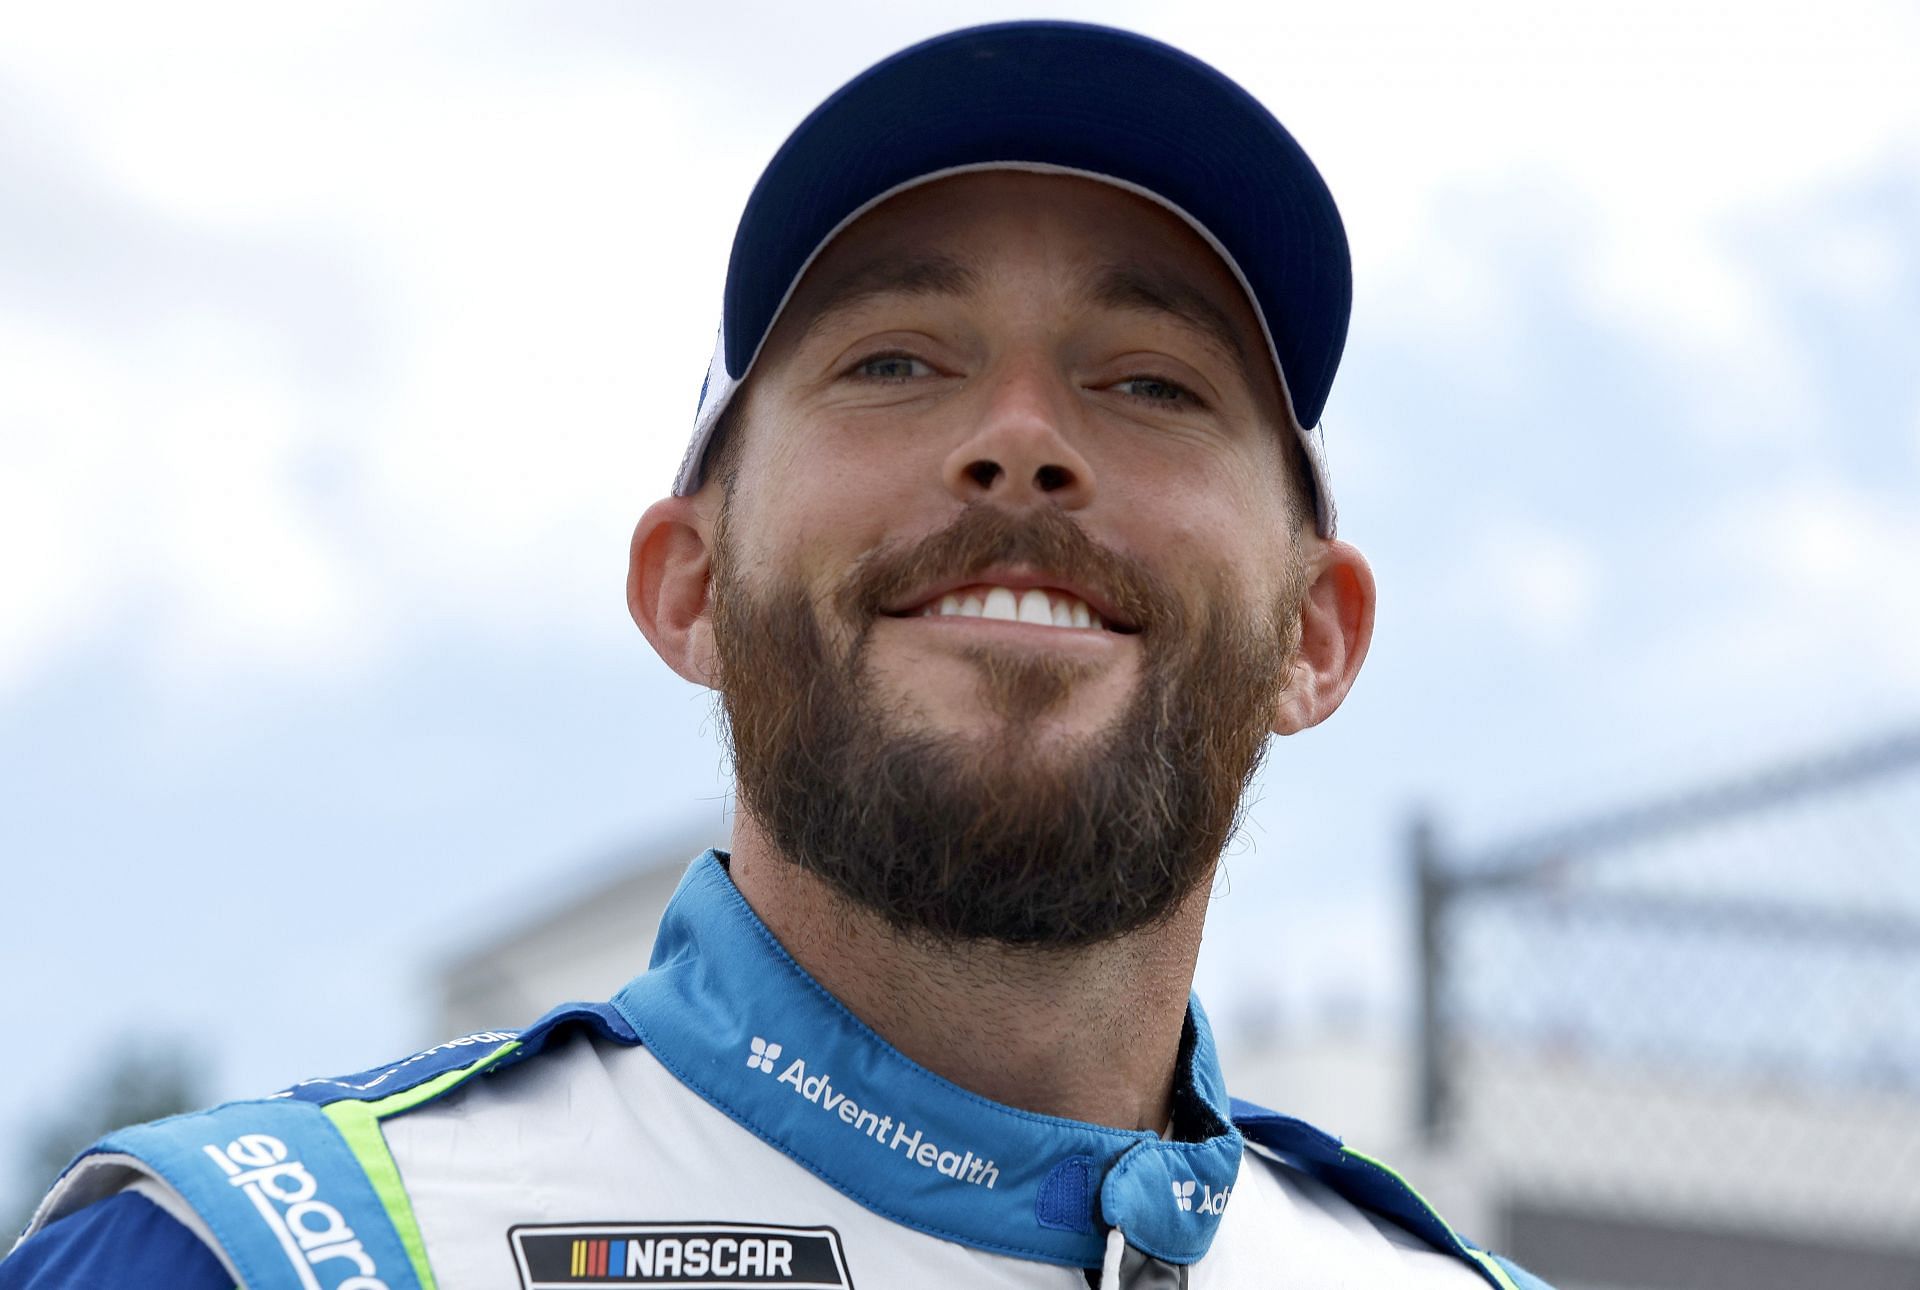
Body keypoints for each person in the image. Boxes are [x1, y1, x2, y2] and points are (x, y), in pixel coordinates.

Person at [3, 21, 1555, 1290]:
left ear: (1317, 633)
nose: (1020, 443)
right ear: (686, 583)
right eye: (896, 362)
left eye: (1149, 382)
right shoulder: (238, 1251)